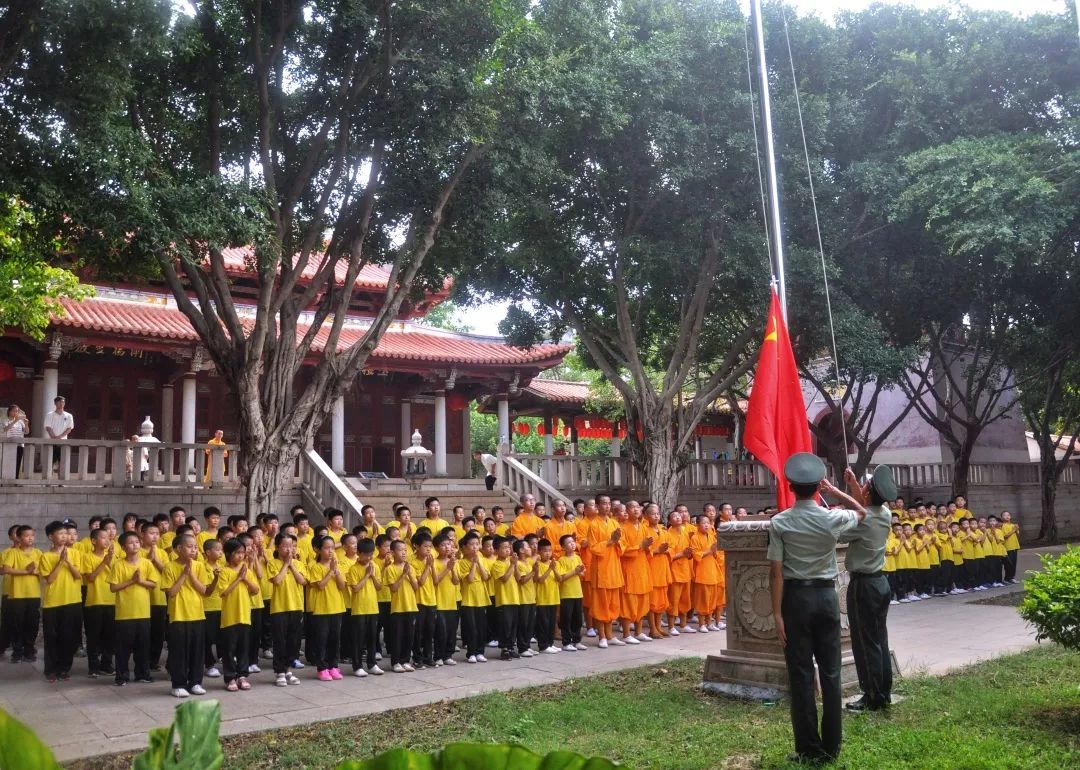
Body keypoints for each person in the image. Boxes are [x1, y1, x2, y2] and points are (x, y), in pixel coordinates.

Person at [767, 453, 867, 765]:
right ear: (817, 487)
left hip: (795, 600)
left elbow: (775, 573)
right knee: (832, 672)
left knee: (800, 674)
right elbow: (863, 513)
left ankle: (808, 747)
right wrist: (837, 491)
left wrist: (777, 614)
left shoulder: (780, 522)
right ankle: (832, 746)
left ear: (791, 486)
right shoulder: (832, 517)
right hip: (826, 598)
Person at [841, 465, 896, 713]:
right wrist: (853, 485)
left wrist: (837, 492)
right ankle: (882, 690)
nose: (861, 488)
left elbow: (841, 533)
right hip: (880, 583)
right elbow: (864, 505)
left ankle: (872, 695)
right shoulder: (884, 512)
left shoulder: (865, 520)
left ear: (869, 494)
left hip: (864, 585)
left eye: (864, 486)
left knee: (865, 642)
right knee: (879, 640)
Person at [161, 533, 216, 698]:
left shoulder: (199, 566)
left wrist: (191, 573)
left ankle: (195, 682)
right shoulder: (169, 567)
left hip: (197, 615)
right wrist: (184, 574)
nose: (194, 549)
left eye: (195, 547)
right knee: (179, 652)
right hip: (178, 616)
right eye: (190, 546)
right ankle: (178, 684)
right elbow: (171, 592)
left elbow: (205, 591)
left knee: (197, 652)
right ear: (178, 549)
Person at [39, 520, 85, 682]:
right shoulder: (45, 557)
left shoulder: (76, 553)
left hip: (73, 601)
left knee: (69, 638)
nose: (64, 536)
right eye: (60, 533)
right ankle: (50, 670)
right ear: (51, 537)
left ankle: (64, 668)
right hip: (53, 603)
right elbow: (50, 579)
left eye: (66, 533)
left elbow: (79, 576)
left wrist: (67, 562)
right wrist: (60, 562)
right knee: (52, 638)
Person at [110, 531, 156, 686]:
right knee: (123, 648)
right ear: (123, 547)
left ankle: (142, 673)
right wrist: (131, 581)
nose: (135, 544)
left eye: (137, 541)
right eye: (131, 542)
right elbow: (113, 587)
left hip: (143, 612)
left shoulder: (146, 563)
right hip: (124, 614)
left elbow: (153, 584)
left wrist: (141, 581)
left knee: (143, 646)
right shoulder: (118, 564)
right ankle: (121, 676)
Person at [267, 533, 307, 686]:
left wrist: (292, 565)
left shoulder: (299, 564)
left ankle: (289, 670)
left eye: (292, 546)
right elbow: (276, 580)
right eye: (285, 546)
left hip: (296, 606)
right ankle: (280, 671)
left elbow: (302, 581)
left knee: (293, 641)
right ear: (277, 547)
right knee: (279, 641)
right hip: (279, 608)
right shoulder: (272, 563)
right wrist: (286, 565)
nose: (289, 549)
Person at [347, 537, 384, 677]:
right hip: (359, 609)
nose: (369, 557)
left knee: (372, 638)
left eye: (371, 554)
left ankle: (372, 663)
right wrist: (366, 575)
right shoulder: (353, 569)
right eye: (366, 554)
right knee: (358, 639)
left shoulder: (375, 566)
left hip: (373, 608)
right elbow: (355, 588)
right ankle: (357, 666)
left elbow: (379, 587)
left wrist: (372, 575)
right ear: (359, 553)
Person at [556, 535, 586, 651]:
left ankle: (577, 640)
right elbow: (562, 577)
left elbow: (582, 574)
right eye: (568, 543)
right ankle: (566, 642)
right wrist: (575, 571)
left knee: (578, 618)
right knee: (566, 618)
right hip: (566, 594)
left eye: (573, 541)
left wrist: (580, 572)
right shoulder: (561, 560)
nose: (572, 544)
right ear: (563, 547)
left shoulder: (577, 557)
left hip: (577, 592)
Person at [43, 396, 74, 470]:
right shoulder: (50, 414)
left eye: (63, 402)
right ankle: (48, 480)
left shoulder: (69, 415)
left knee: (63, 463)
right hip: (52, 442)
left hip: (63, 442)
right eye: (59, 402)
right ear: (55, 403)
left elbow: (69, 428)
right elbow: (48, 427)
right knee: (50, 463)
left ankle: (62, 480)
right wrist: (54, 438)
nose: (61, 403)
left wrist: (60, 437)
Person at [2, 404, 29, 478]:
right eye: (14, 411)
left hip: (19, 445)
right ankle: (6, 479)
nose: (15, 413)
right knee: (8, 463)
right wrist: (14, 421)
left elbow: (26, 432)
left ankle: (16, 479)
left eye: (17, 411)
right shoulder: (6, 421)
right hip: (9, 445)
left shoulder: (20, 422)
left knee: (18, 463)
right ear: (9, 412)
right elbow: (5, 429)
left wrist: (26, 424)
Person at [135, 416, 160, 481]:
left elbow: (146, 455)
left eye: (136, 439)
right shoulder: (141, 444)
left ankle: (140, 484)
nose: (135, 440)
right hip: (139, 461)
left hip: (141, 461)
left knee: (140, 474)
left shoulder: (142, 445)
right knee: (139, 473)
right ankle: (138, 484)